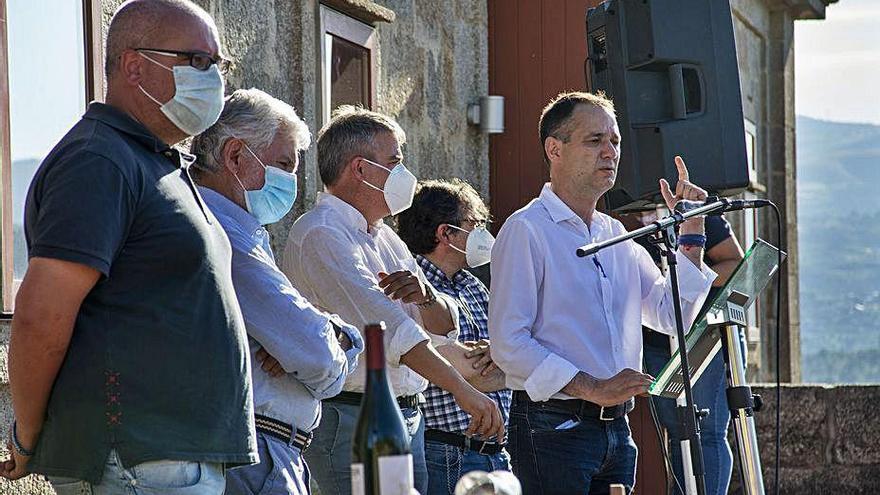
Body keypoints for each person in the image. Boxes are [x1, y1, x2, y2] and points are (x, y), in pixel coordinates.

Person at [0, 1, 256, 493]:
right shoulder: (99, 160)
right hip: (136, 460)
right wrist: (28, 435)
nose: (215, 79)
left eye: (218, 66)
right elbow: (40, 317)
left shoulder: (154, 160)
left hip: (168, 457)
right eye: (199, 62)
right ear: (135, 66)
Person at [488, 91, 717, 495]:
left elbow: (669, 315)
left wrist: (692, 231)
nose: (610, 152)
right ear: (554, 149)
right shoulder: (526, 230)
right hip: (551, 428)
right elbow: (508, 343)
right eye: (595, 141)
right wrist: (590, 387)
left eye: (614, 141)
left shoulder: (617, 235)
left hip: (617, 430)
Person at [282, 106, 504, 495]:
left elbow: (439, 325)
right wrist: (465, 392)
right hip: (353, 414)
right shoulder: (321, 234)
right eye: (395, 162)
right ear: (360, 169)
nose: (406, 175)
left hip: (407, 414)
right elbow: (389, 332)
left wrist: (428, 297)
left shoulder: (386, 238)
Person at [190, 88, 365, 495]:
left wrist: (333, 332)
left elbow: (312, 339)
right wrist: (333, 340)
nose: (291, 181)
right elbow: (319, 357)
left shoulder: (236, 229)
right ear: (235, 156)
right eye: (284, 164)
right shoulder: (226, 235)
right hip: (256, 452)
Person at [397, 179, 512, 495]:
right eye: (474, 225)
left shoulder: (475, 287)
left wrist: (502, 358)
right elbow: (464, 368)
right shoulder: (408, 287)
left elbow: (505, 359)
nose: (483, 235)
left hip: (496, 454)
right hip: (446, 454)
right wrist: (507, 363)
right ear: (445, 233)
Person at [633, 210, 745, 495]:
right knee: (679, 434)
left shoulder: (699, 214)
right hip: (657, 343)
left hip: (705, 338)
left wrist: (685, 277)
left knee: (707, 432)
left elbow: (736, 263)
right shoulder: (624, 220)